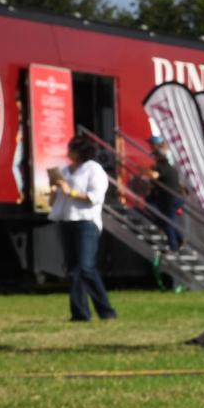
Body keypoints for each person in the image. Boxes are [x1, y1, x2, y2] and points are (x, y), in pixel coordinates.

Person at [48, 136, 118, 322]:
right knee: (73, 270)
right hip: (67, 220)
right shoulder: (65, 170)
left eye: (71, 148)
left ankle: (106, 311)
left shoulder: (94, 170)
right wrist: (55, 190)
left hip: (86, 222)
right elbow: (54, 201)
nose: (68, 151)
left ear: (79, 151)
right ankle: (79, 314)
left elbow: (95, 197)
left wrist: (69, 191)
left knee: (86, 267)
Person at [143, 135, 183, 252]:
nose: (153, 157)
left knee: (167, 221)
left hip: (170, 198)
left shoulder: (163, 165)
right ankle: (178, 239)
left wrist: (144, 172)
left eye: (154, 155)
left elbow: (154, 175)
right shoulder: (165, 165)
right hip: (169, 197)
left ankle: (173, 246)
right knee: (166, 219)